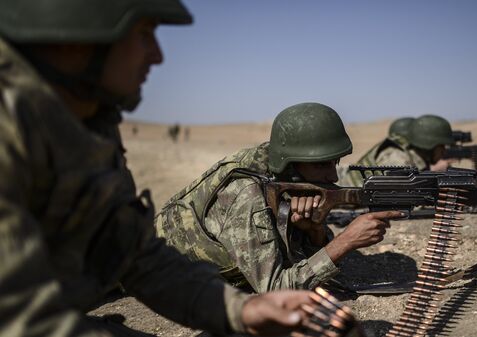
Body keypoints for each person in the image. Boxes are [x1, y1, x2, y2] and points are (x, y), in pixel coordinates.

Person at [0, 1, 315, 336]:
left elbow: (134, 255)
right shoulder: (11, 131)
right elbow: (20, 320)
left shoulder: (88, 120)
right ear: (78, 36)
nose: (158, 55)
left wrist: (241, 310)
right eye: (144, 34)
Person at [156, 102, 401, 293]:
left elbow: (301, 261)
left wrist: (313, 231)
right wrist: (345, 242)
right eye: (321, 165)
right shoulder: (246, 194)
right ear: (291, 164)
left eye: (334, 162)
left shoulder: (284, 179)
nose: (332, 174)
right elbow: (274, 291)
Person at [339, 114, 456, 187]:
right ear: (430, 145)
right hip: (342, 191)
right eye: (441, 146)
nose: (444, 151)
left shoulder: (407, 157)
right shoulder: (398, 159)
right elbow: (399, 196)